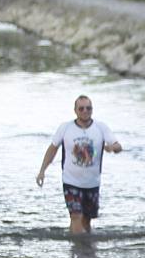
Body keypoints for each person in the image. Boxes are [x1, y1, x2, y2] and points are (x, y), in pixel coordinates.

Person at [36, 95, 122, 234]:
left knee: (86, 220)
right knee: (76, 215)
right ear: (75, 110)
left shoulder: (100, 127)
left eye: (88, 108)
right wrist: (42, 171)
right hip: (71, 181)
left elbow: (117, 146)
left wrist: (112, 148)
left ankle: (86, 250)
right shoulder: (65, 128)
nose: (85, 111)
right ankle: (78, 250)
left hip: (92, 182)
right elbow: (52, 149)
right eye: (81, 108)